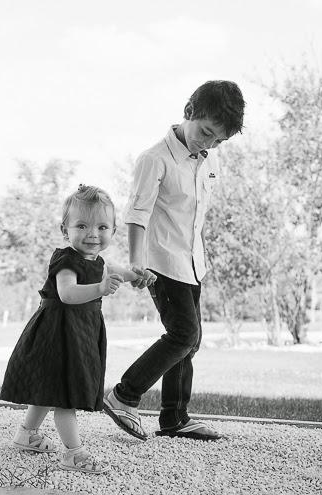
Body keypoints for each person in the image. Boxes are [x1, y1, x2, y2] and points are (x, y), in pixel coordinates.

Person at [103, 80, 245, 441]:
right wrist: (138, 265)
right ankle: (124, 395)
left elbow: (196, 217)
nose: (208, 144)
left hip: (192, 262)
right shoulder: (154, 159)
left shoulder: (209, 161)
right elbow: (137, 215)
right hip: (161, 262)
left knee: (190, 341)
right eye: (206, 133)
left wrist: (203, 255)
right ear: (189, 113)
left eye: (218, 141)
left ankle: (174, 418)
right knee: (184, 334)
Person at [0, 185, 139, 474]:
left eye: (102, 227)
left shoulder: (98, 261)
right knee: (65, 393)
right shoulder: (66, 260)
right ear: (66, 230)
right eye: (82, 226)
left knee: (49, 388)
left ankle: (26, 434)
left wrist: (137, 276)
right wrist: (100, 288)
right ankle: (74, 454)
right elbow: (67, 294)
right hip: (57, 334)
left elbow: (119, 270)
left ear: (113, 231)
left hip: (79, 333)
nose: (92, 234)